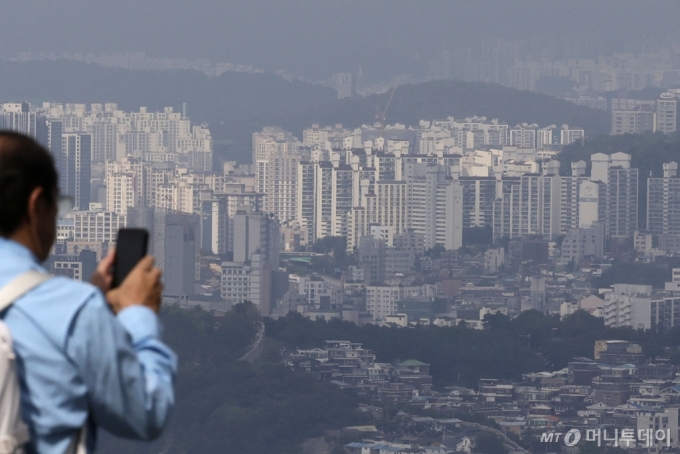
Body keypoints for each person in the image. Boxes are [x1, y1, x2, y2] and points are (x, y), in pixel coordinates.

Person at [0, 131, 177, 453]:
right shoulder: (74, 312)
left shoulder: (76, 307)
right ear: (37, 205)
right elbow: (146, 414)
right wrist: (139, 314)